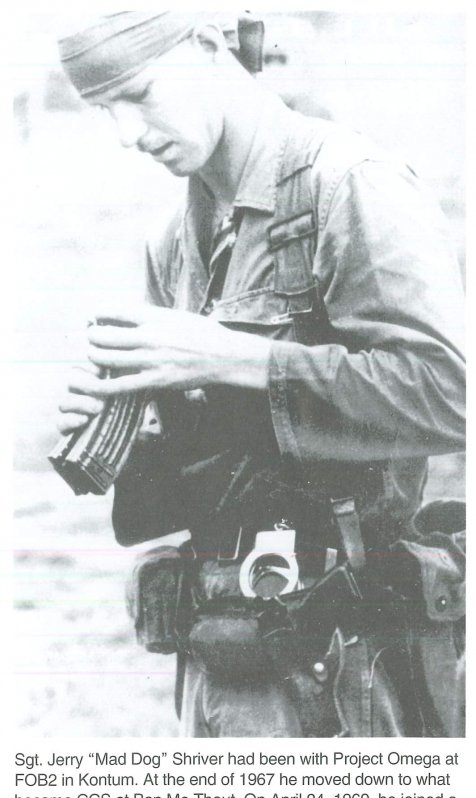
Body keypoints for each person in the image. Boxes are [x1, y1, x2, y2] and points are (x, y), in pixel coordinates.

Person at [56, 11, 465, 738]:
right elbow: (224, 462)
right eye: (104, 109)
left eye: (140, 95)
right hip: (222, 665)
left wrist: (234, 358)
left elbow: (449, 395)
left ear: (205, 47)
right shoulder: (175, 239)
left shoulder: (349, 187)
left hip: (341, 673)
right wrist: (131, 428)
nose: (126, 133)